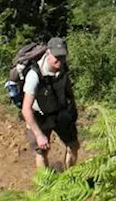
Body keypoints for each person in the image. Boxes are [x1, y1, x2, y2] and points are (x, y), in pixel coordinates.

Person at [21, 36, 80, 171]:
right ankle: (45, 185)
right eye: (57, 57)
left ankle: (70, 177)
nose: (60, 60)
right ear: (48, 53)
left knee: (73, 146)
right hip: (39, 116)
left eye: (63, 57)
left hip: (59, 112)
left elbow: (67, 88)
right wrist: (39, 135)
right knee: (41, 152)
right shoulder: (34, 75)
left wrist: (72, 108)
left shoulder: (63, 68)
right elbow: (26, 109)